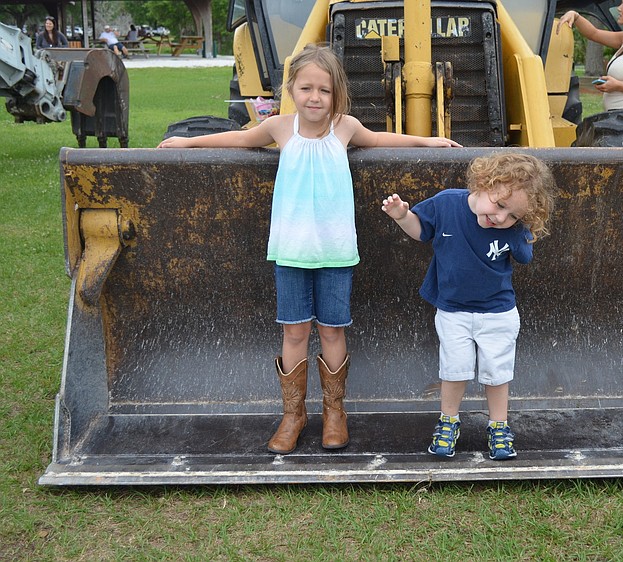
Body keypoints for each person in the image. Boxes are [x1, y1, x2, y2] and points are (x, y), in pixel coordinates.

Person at [158, 44, 460, 454]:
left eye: (324, 90)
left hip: (335, 252)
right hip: (291, 251)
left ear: (336, 94)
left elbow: (380, 138)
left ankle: (335, 412)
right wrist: (187, 145)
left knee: (332, 330)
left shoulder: (345, 128)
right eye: (306, 88)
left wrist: (425, 143)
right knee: (295, 330)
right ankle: (293, 414)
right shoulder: (281, 129)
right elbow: (242, 139)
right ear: (292, 89)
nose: (315, 97)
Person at [380, 152, 555, 460]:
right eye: (499, 205)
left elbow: (525, 257)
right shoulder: (447, 203)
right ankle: (448, 420)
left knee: (497, 371)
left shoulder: (512, 229)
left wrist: (524, 231)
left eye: (513, 215)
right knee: (454, 368)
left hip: (498, 311)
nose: (501, 217)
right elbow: (421, 231)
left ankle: (498, 425)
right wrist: (402, 216)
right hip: (453, 310)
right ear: (483, 183)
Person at [557, 0, 623, 122]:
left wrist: (618, 86)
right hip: (617, 122)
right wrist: (575, 16)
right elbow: (594, 33)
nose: (618, 8)